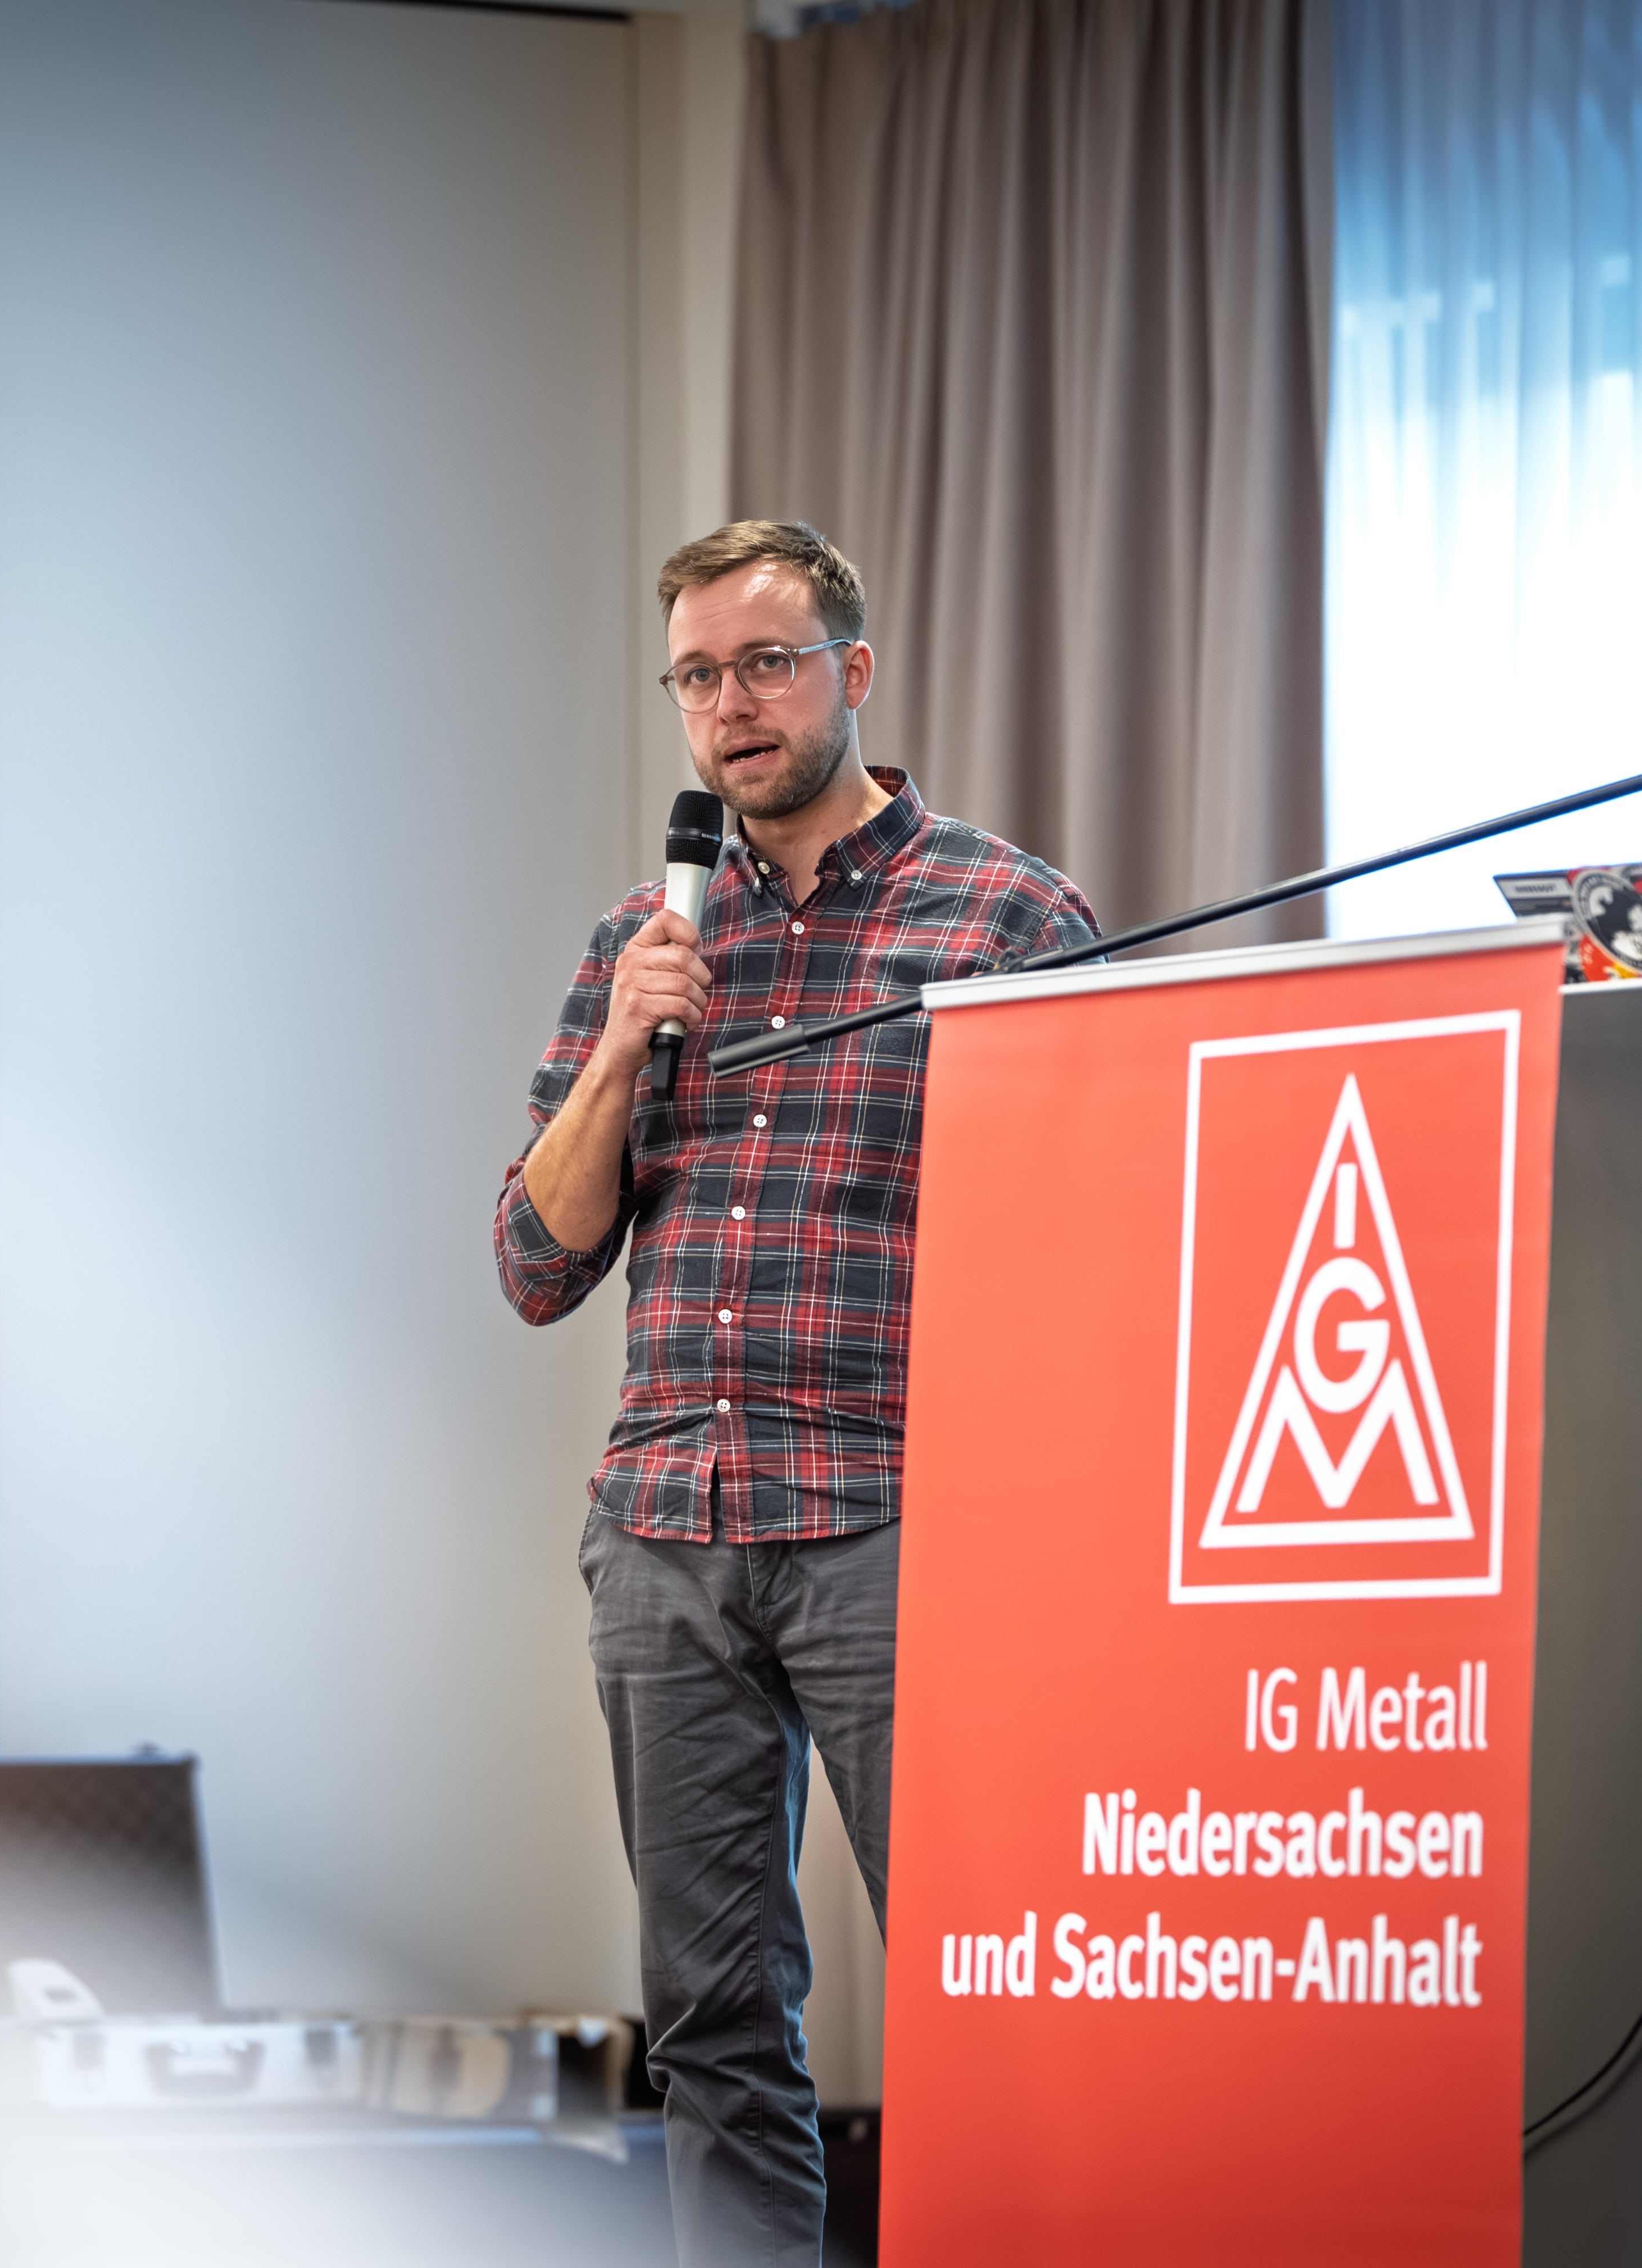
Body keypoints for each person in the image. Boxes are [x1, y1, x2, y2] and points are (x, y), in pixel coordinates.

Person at [492, 522, 1098, 2264]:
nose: (733, 706)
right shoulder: (641, 942)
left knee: (987, 2003)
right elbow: (535, 1264)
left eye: (766, 663)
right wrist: (625, 1045)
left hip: (897, 1522)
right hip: (665, 1531)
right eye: (698, 676)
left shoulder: (1009, 917)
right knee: (711, 2025)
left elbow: (1100, 1239)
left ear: (855, 670)